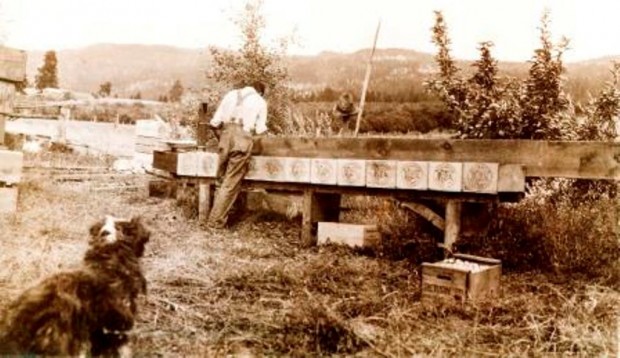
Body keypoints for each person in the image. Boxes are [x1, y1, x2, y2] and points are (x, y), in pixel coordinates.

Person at [207, 81, 268, 229]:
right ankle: (215, 222)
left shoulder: (231, 94)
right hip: (242, 139)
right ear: (260, 92)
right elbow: (260, 130)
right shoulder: (260, 101)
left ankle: (213, 216)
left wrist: (223, 139)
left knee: (220, 179)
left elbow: (214, 123)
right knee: (231, 181)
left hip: (225, 136)